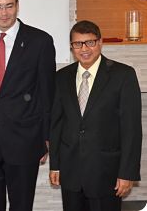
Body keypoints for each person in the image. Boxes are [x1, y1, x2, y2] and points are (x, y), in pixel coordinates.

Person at [0, 0, 56, 211]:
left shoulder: (40, 41)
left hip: (25, 138)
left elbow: (47, 92)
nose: (4, 13)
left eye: (9, 6)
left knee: (21, 205)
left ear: (17, 6)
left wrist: (46, 138)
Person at [49, 20, 142, 211]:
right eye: (77, 44)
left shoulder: (123, 75)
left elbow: (131, 129)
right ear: (72, 47)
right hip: (71, 174)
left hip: (106, 173)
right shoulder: (61, 77)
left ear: (100, 43)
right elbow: (57, 125)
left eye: (90, 42)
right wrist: (55, 165)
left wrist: (127, 173)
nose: (84, 49)